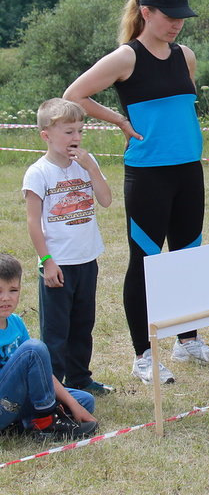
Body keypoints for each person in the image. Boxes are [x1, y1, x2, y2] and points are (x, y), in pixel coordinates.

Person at [63, 0, 209, 384]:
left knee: (189, 256)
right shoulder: (125, 57)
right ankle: (143, 355)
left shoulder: (185, 56)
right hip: (148, 174)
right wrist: (118, 119)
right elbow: (74, 94)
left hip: (189, 170)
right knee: (146, 262)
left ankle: (187, 340)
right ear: (147, 13)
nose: (177, 26)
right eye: (170, 18)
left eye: (182, 19)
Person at [22, 98, 114, 397]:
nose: (75, 138)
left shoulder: (87, 164)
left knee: (83, 324)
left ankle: (80, 378)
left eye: (79, 131)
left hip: (87, 258)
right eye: (68, 132)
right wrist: (47, 261)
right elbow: (34, 222)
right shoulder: (38, 172)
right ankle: (53, 387)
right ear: (46, 135)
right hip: (58, 263)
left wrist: (90, 168)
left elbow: (106, 199)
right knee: (56, 331)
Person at [0, 254, 97, 440]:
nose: (6, 298)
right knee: (34, 349)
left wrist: (72, 404)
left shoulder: (16, 323)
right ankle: (46, 423)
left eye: (13, 290)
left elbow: (43, 375)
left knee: (84, 401)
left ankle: (25, 423)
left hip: (18, 402)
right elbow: (32, 355)